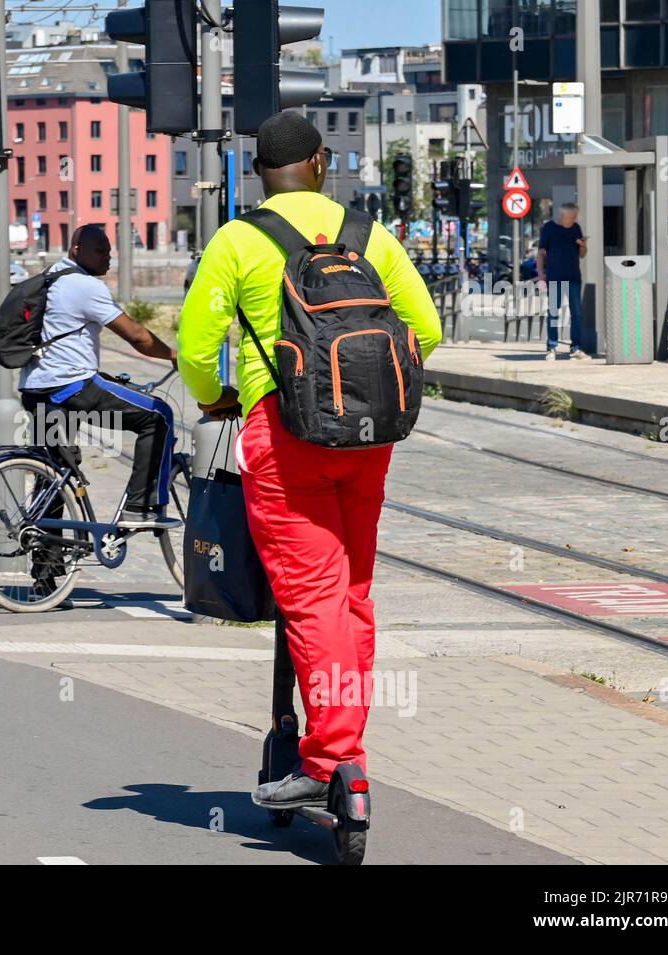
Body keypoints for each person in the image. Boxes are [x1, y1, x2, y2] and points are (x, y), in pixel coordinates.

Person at [178, 112, 442, 807]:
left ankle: (333, 762)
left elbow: (196, 353)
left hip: (284, 435)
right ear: (321, 164)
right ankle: (344, 744)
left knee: (310, 598)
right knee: (351, 595)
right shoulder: (369, 234)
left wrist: (217, 400)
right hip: (368, 439)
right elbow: (430, 328)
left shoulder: (238, 240)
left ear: (261, 173)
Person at [19, 225, 180, 528]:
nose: (108, 258)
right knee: (158, 416)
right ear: (77, 249)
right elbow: (136, 336)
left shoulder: (49, 277)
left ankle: (46, 565)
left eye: (109, 251)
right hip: (73, 390)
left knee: (54, 471)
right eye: (100, 251)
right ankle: (139, 507)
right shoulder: (85, 286)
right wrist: (173, 355)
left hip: (36, 390)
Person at [537, 202, 589, 361]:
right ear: (562, 216)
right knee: (553, 313)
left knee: (577, 314)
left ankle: (576, 347)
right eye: (571, 217)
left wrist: (583, 245)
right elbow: (541, 253)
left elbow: (583, 254)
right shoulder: (549, 228)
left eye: (575, 217)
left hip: (573, 276)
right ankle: (551, 347)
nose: (573, 220)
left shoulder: (576, 228)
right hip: (555, 277)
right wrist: (541, 276)